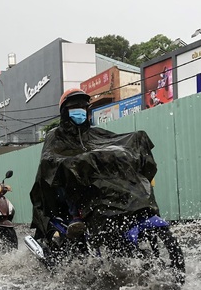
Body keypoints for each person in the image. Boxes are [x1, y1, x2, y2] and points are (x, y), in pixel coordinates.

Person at [30, 88, 160, 240]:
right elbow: (49, 161)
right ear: (65, 112)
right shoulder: (55, 135)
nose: (80, 111)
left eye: (83, 108)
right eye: (74, 108)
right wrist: (75, 163)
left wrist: (134, 143)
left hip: (97, 188)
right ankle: (76, 217)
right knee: (70, 172)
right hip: (69, 188)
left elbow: (117, 144)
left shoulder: (95, 133)